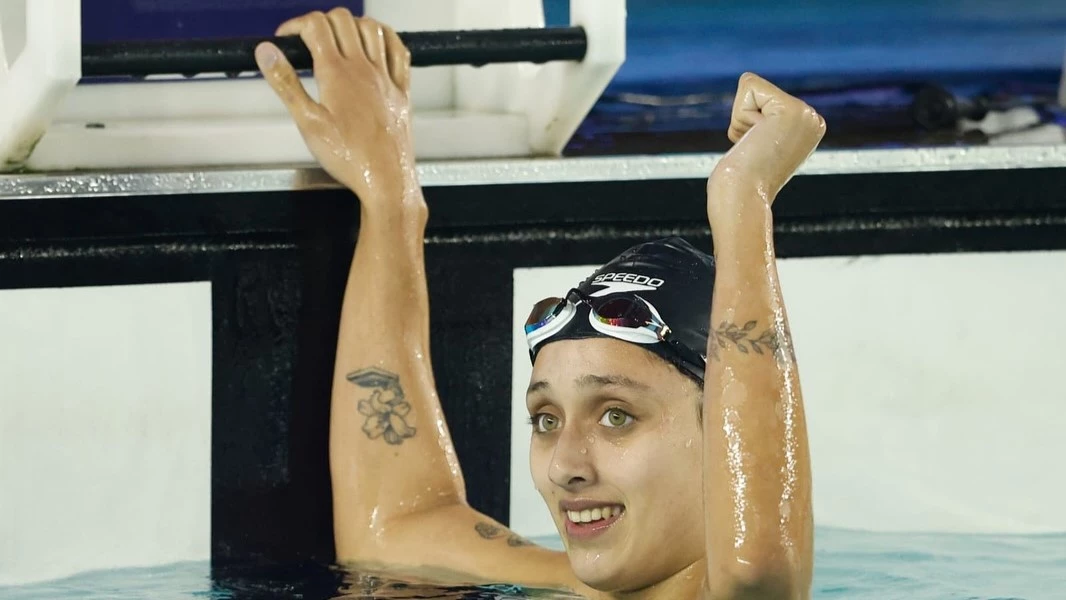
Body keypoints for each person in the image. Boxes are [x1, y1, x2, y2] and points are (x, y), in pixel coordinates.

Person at [254, 8, 824, 599]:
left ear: (722, 429)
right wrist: (390, 198)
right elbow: (394, 527)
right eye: (546, 421)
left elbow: (757, 574)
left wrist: (745, 196)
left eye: (616, 416)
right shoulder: (566, 587)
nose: (565, 467)